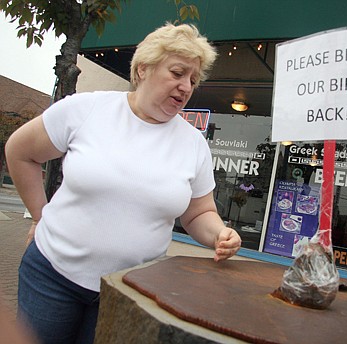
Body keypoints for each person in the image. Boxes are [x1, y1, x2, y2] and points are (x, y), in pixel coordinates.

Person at [5, 23, 242, 344]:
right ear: (143, 68)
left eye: (193, 79)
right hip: (51, 277)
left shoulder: (193, 144)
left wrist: (219, 234)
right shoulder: (88, 109)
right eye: (177, 73)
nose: (186, 86)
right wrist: (39, 215)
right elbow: (20, 152)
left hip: (129, 290)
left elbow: (198, 214)